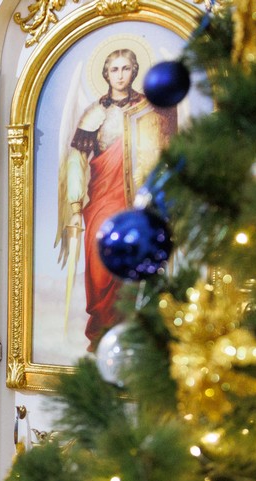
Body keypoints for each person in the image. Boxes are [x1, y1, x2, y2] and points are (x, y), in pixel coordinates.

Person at [56, 48, 176, 350]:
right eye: (114, 70)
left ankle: (132, 331)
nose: (120, 75)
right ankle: (102, 329)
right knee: (100, 260)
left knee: (136, 255)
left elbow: (165, 151)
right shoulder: (94, 113)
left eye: (125, 69)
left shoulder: (149, 110)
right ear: (106, 74)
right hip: (102, 197)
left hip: (137, 201)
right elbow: (76, 160)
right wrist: (74, 205)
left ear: (134, 72)